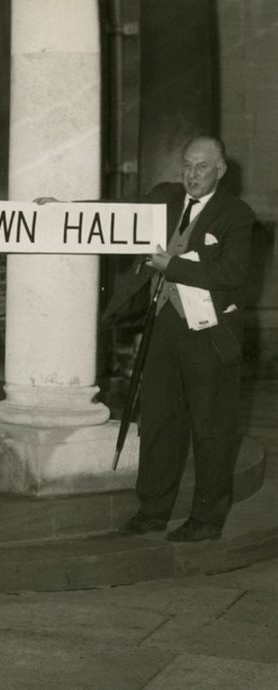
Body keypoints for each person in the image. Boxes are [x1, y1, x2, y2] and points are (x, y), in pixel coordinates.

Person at [109, 135, 254, 542]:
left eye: (202, 167)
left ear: (220, 170)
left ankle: (207, 519)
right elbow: (119, 215)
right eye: (187, 166)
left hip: (208, 335)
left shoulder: (237, 215)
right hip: (164, 328)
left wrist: (172, 265)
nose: (192, 175)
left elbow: (232, 274)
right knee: (158, 421)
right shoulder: (165, 198)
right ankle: (152, 510)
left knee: (210, 428)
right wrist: (64, 211)